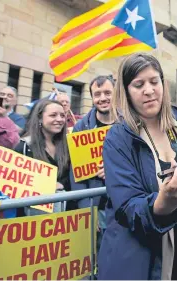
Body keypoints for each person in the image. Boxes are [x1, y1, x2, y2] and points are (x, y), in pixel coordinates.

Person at [98, 53, 177, 280]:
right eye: (138, 85)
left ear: (163, 84)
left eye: (153, 81)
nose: (148, 90)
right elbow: (127, 206)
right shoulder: (118, 138)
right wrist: (162, 203)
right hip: (140, 261)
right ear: (126, 91)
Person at [69, 75, 115, 255]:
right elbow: (76, 173)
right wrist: (86, 210)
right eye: (97, 94)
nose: (102, 98)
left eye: (107, 93)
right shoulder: (82, 127)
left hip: (126, 201)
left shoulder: (128, 122)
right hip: (98, 206)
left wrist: (114, 170)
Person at [14, 99, 71, 214]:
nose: (59, 119)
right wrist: (47, 185)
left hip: (64, 218)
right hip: (32, 217)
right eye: (53, 115)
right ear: (40, 118)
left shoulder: (69, 145)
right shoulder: (24, 147)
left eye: (62, 115)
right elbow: (15, 183)